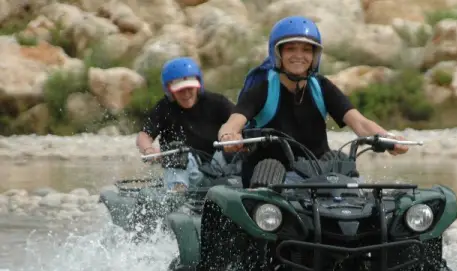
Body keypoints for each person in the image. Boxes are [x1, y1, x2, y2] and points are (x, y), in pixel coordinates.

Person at [216, 15, 410, 183]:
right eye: (291, 49)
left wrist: (388, 138)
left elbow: (360, 123)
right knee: (270, 166)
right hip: (270, 177)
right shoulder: (263, 89)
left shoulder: (322, 87)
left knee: (340, 161)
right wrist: (229, 137)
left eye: (306, 50)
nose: (299, 56)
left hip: (317, 175)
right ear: (278, 54)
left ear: (314, 55)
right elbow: (232, 123)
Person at [135, 57, 236, 191]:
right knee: (177, 153)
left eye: (190, 88)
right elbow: (144, 135)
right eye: (180, 90)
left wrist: (234, 138)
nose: (186, 94)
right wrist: (149, 150)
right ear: (170, 90)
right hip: (187, 172)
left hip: (219, 167)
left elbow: (239, 122)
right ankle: (177, 195)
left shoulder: (217, 102)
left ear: (198, 86)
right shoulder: (164, 108)